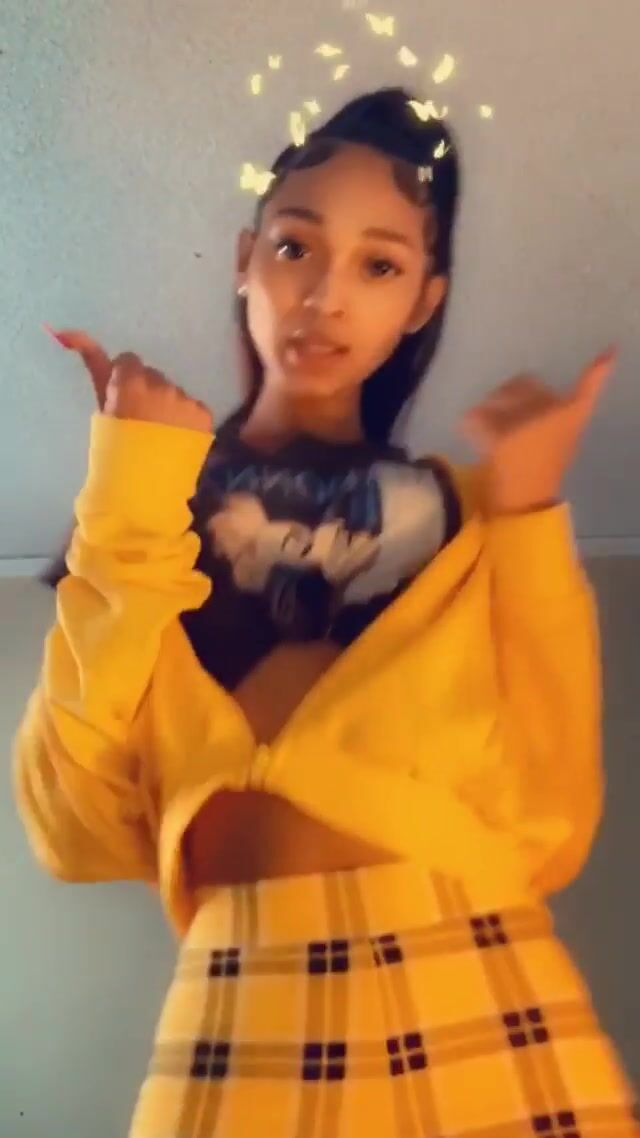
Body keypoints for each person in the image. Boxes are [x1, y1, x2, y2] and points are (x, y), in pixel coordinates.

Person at [13, 87, 638, 1137]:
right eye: (297, 247)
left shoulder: (474, 510)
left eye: (379, 265)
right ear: (245, 258)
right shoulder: (150, 500)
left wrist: (530, 514)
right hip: (240, 990)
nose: (326, 296)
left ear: (425, 299)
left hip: (482, 971)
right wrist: (131, 482)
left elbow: (552, 818)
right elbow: (67, 824)